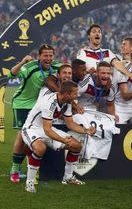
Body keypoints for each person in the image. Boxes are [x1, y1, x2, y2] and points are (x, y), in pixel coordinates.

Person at [21, 81, 96, 193]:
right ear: (66, 94)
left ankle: (68, 177)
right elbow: (47, 130)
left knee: (76, 146)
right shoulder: (49, 103)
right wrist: (63, 140)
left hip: (48, 128)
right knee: (40, 148)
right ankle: (30, 183)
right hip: (32, 129)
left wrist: (86, 131)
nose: (77, 96)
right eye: (75, 93)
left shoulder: (68, 102)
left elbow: (70, 123)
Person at [8, 44, 61, 183]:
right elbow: (12, 73)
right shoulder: (30, 67)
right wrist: (23, 62)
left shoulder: (56, 67)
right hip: (23, 104)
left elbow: (69, 70)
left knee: (35, 136)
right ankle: (15, 169)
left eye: (51, 55)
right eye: (45, 55)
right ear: (39, 56)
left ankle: (32, 167)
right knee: (22, 134)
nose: (48, 58)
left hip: (39, 106)